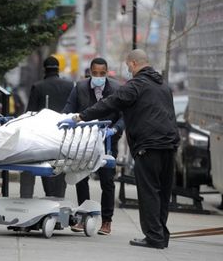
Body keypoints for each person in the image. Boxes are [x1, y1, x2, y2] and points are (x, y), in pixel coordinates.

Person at [58, 49, 180, 249]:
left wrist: (81, 117)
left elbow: (109, 103)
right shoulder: (163, 87)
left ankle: (153, 237)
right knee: (162, 193)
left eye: (127, 66)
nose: (128, 69)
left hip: (148, 146)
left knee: (149, 192)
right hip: (169, 145)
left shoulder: (135, 85)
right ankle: (161, 235)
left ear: (133, 64)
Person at [62, 58, 124, 235]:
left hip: (108, 140)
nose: (98, 77)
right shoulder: (80, 87)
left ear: (107, 73)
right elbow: (68, 109)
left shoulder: (117, 89)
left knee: (107, 180)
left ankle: (106, 221)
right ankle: (84, 217)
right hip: (84, 140)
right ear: (90, 72)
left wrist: (115, 129)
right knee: (81, 177)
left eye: (102, 74)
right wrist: (64, 120)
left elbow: (124, 115)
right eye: (95, 73)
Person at [20, 56, 74, 198]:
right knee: (61, 167)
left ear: (44, 69)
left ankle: (49, 195)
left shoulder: (38, 87)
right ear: (58, 69)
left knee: (47, 166)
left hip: (44, 135)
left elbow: (30, 113)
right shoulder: (70, 86)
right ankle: (59, 197)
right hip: (64, 135)